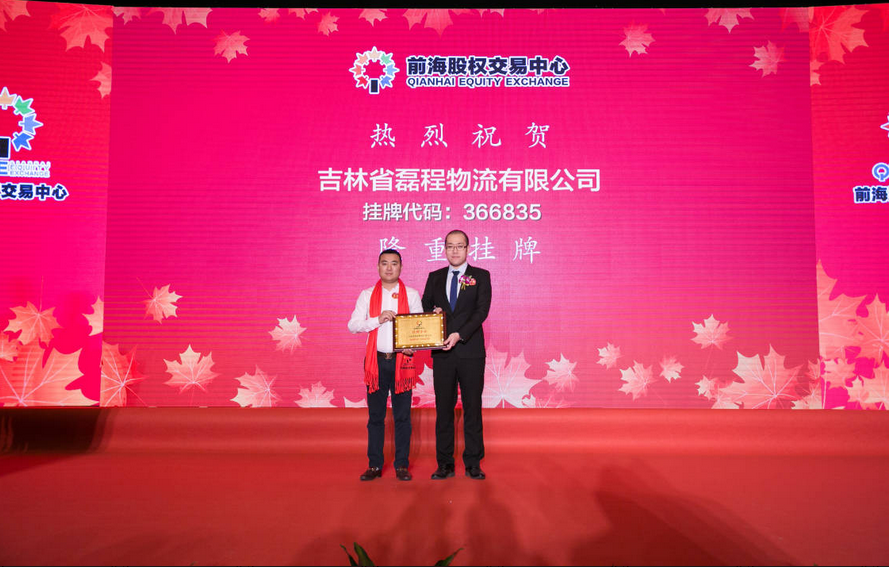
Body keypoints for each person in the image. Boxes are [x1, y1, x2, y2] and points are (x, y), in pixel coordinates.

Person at [422, 229, 492, 480]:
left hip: (470, 351)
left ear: (468, 249)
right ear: (444, 249)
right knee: (444, 409)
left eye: (459, 246)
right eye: (450, 246)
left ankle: (473, 462)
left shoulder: (480, 276)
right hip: (442, 353)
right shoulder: (435, 277)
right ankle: (445, 463)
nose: (454, 250)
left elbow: (481, 311)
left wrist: (459, 334)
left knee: (472, 407)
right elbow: (425, 306)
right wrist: (432, 313)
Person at [348, 249, 422, 481]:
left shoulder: (411, 294)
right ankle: (374, 465)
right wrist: (377, 320)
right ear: (378, 267)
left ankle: (401, 465)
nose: (389, 268)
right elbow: (353, 325)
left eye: (394, 263)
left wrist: (413, 346)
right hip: (376, 362)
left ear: (401, 267)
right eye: (384, 263)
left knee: (403, 417)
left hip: (403, 362)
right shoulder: (367, 294)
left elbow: (419, 328)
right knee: (376, 417)